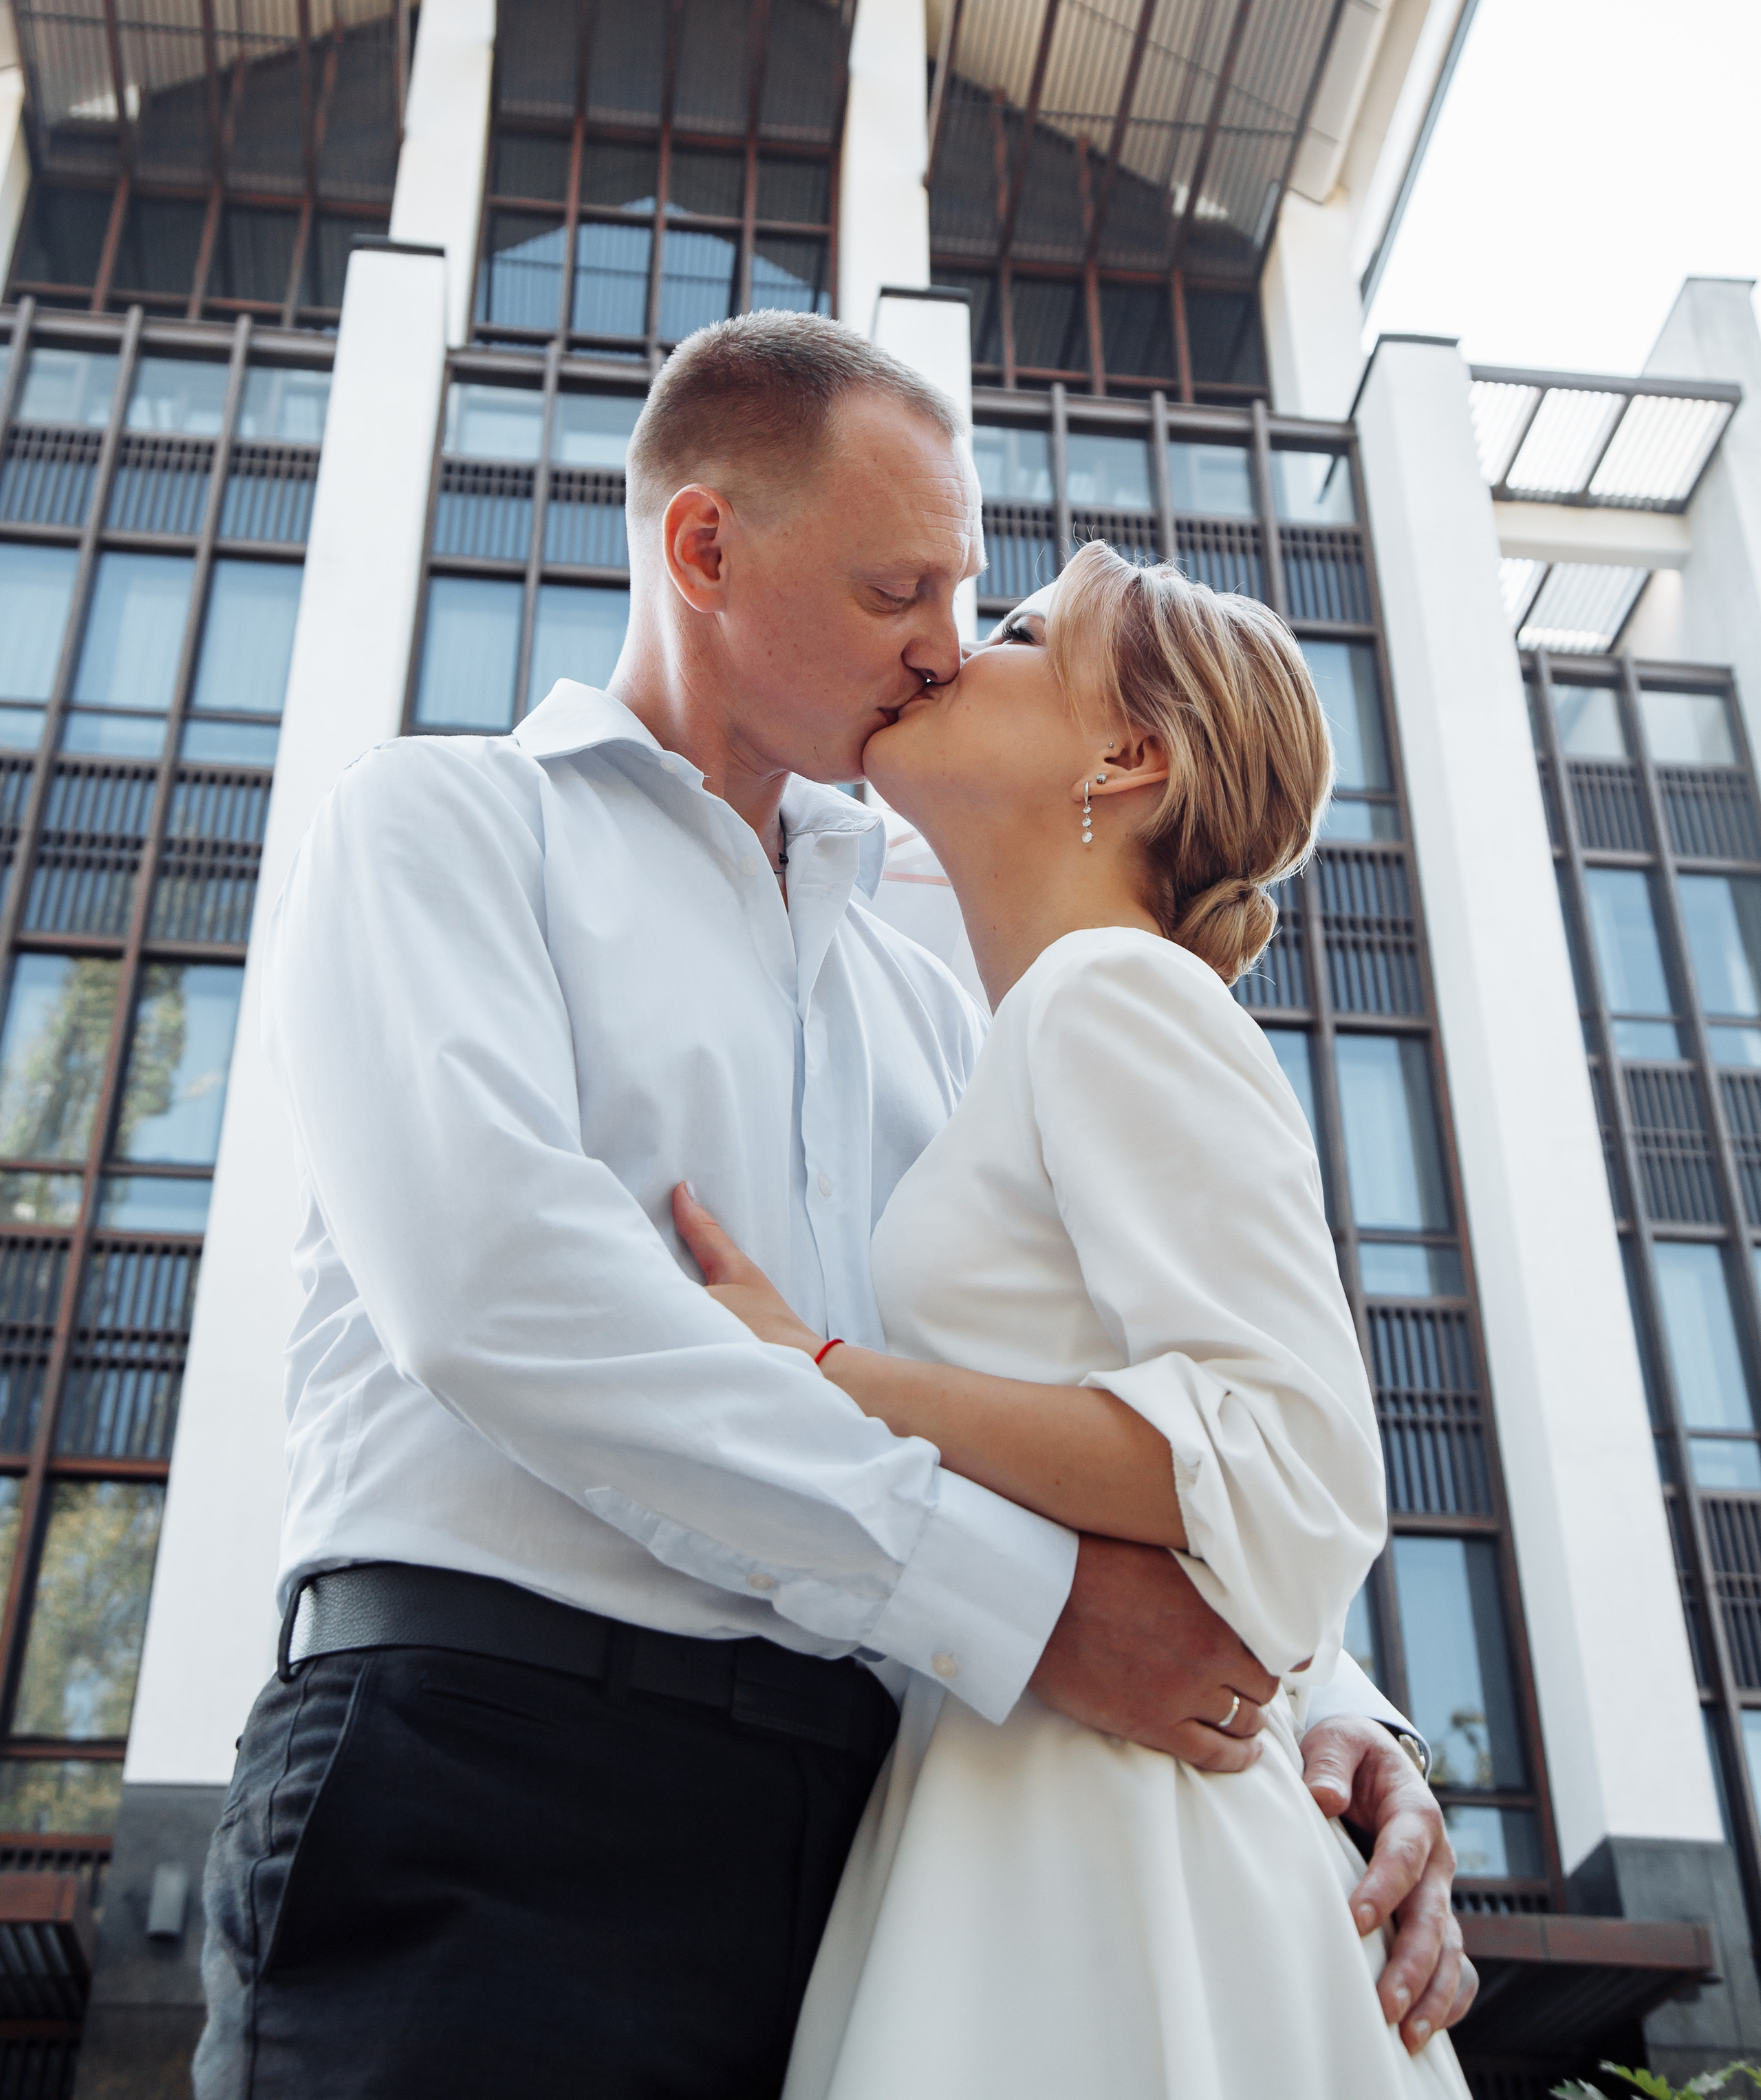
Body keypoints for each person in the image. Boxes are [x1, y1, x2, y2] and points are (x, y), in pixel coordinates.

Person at [195, 315, 1473, 2099]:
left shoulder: (955, 991)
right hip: (490, 1793)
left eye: (981, 601)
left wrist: (1331, 1711)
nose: (945, 650)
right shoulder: (437, 828)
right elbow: (496, 1287)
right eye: (904, 592)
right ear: (708, 550)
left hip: (864, 1837)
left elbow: (1135, 1371)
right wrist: (1024, 1606)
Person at [673, 541, 1469, 2095]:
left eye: (1027, 630)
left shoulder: (1113, 993)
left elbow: (1284, 1463)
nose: (956, 647)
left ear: (1128, 753)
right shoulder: (1024, 1030)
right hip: (1016, 1768)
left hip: (1118, 1823)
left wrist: (826, 1373)